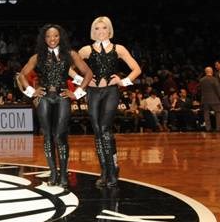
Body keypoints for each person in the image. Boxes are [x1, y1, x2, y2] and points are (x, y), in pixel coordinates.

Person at [17, 24, 92, 187]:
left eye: (56, 36)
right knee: (48, 136)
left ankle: (64, 174)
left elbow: (88, 74)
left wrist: (77, 94)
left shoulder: (70, 54)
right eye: (49, 36)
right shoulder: (38, 56)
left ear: (61, 37)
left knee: (60, 135)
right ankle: (53, 173)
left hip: (62, 97)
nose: (52, 39)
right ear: (44, 39)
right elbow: (22, 75)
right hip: (44, 98)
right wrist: (31, 92)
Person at [78, 16, 141, 187]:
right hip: (92, 93)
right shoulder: (85, 50)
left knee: (105, 128)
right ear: (93, 31)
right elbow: (67, 68)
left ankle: (111, 172)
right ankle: (105, 169)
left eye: (104, 28)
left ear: (109, 30)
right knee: (98, 132)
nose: (100, 31)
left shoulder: (118, 49)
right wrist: (83, 81)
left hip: (111, 92)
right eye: (97, 28)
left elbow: (137, 69)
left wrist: (122, 81)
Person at [199, 66, 220, 131]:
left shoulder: (201, 80)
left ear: (205, 72)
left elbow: (200, 90)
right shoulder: (214, 79)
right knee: (218, 113)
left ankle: (208, 128)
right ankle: (218, 128)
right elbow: (218, 90)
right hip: (214, 99)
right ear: (211, 71)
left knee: (206, 114)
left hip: (205, 100)